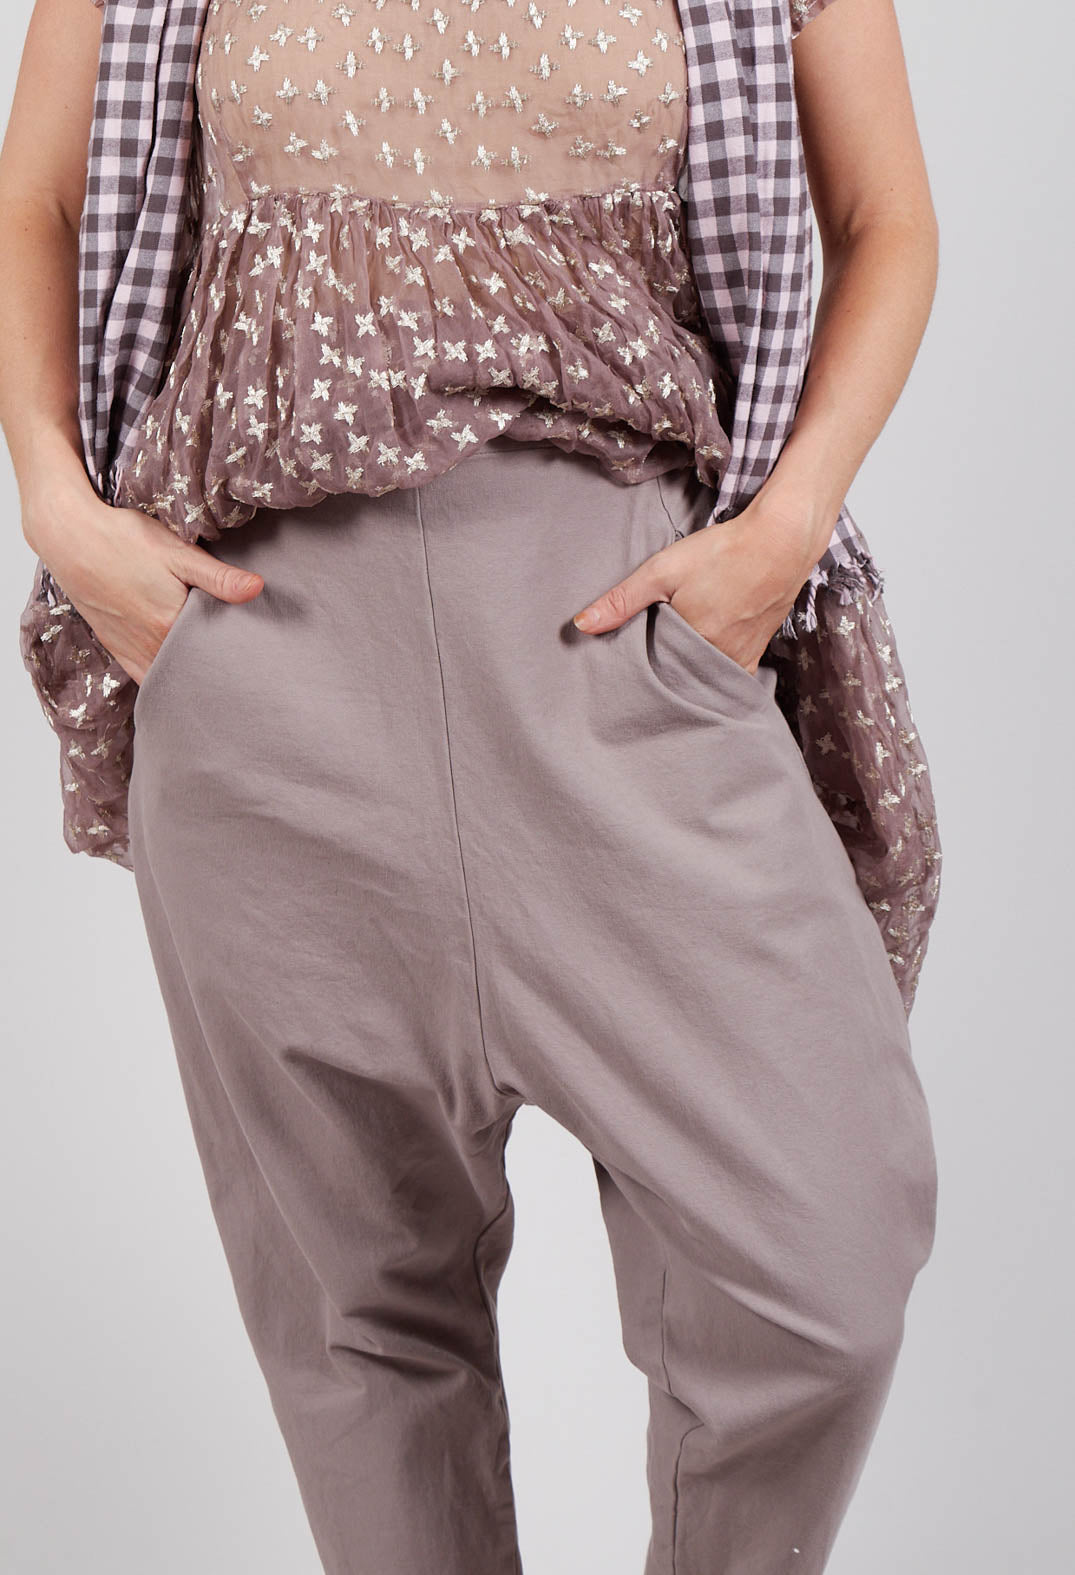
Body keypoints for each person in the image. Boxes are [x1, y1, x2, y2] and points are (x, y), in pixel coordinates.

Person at [0, 1, 941, 1570]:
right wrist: (55, 496)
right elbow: (36, 195)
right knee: (362, 1341)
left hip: (631, 657)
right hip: (269, 679)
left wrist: (784, 529)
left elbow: (885, 216)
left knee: (821, 1276)